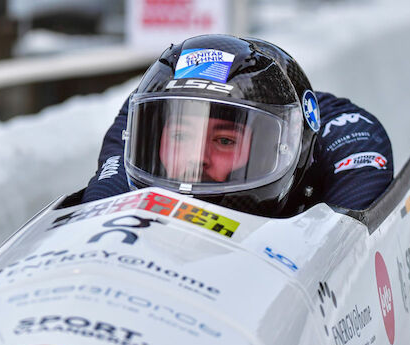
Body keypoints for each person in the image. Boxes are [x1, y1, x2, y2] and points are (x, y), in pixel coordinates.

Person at [80, 34, 393, 218]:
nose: (195, 159)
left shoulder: (344, 133)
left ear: (277, 149)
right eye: (180, 135)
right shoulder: (138, 115)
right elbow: (99, 204)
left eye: (225, 141)